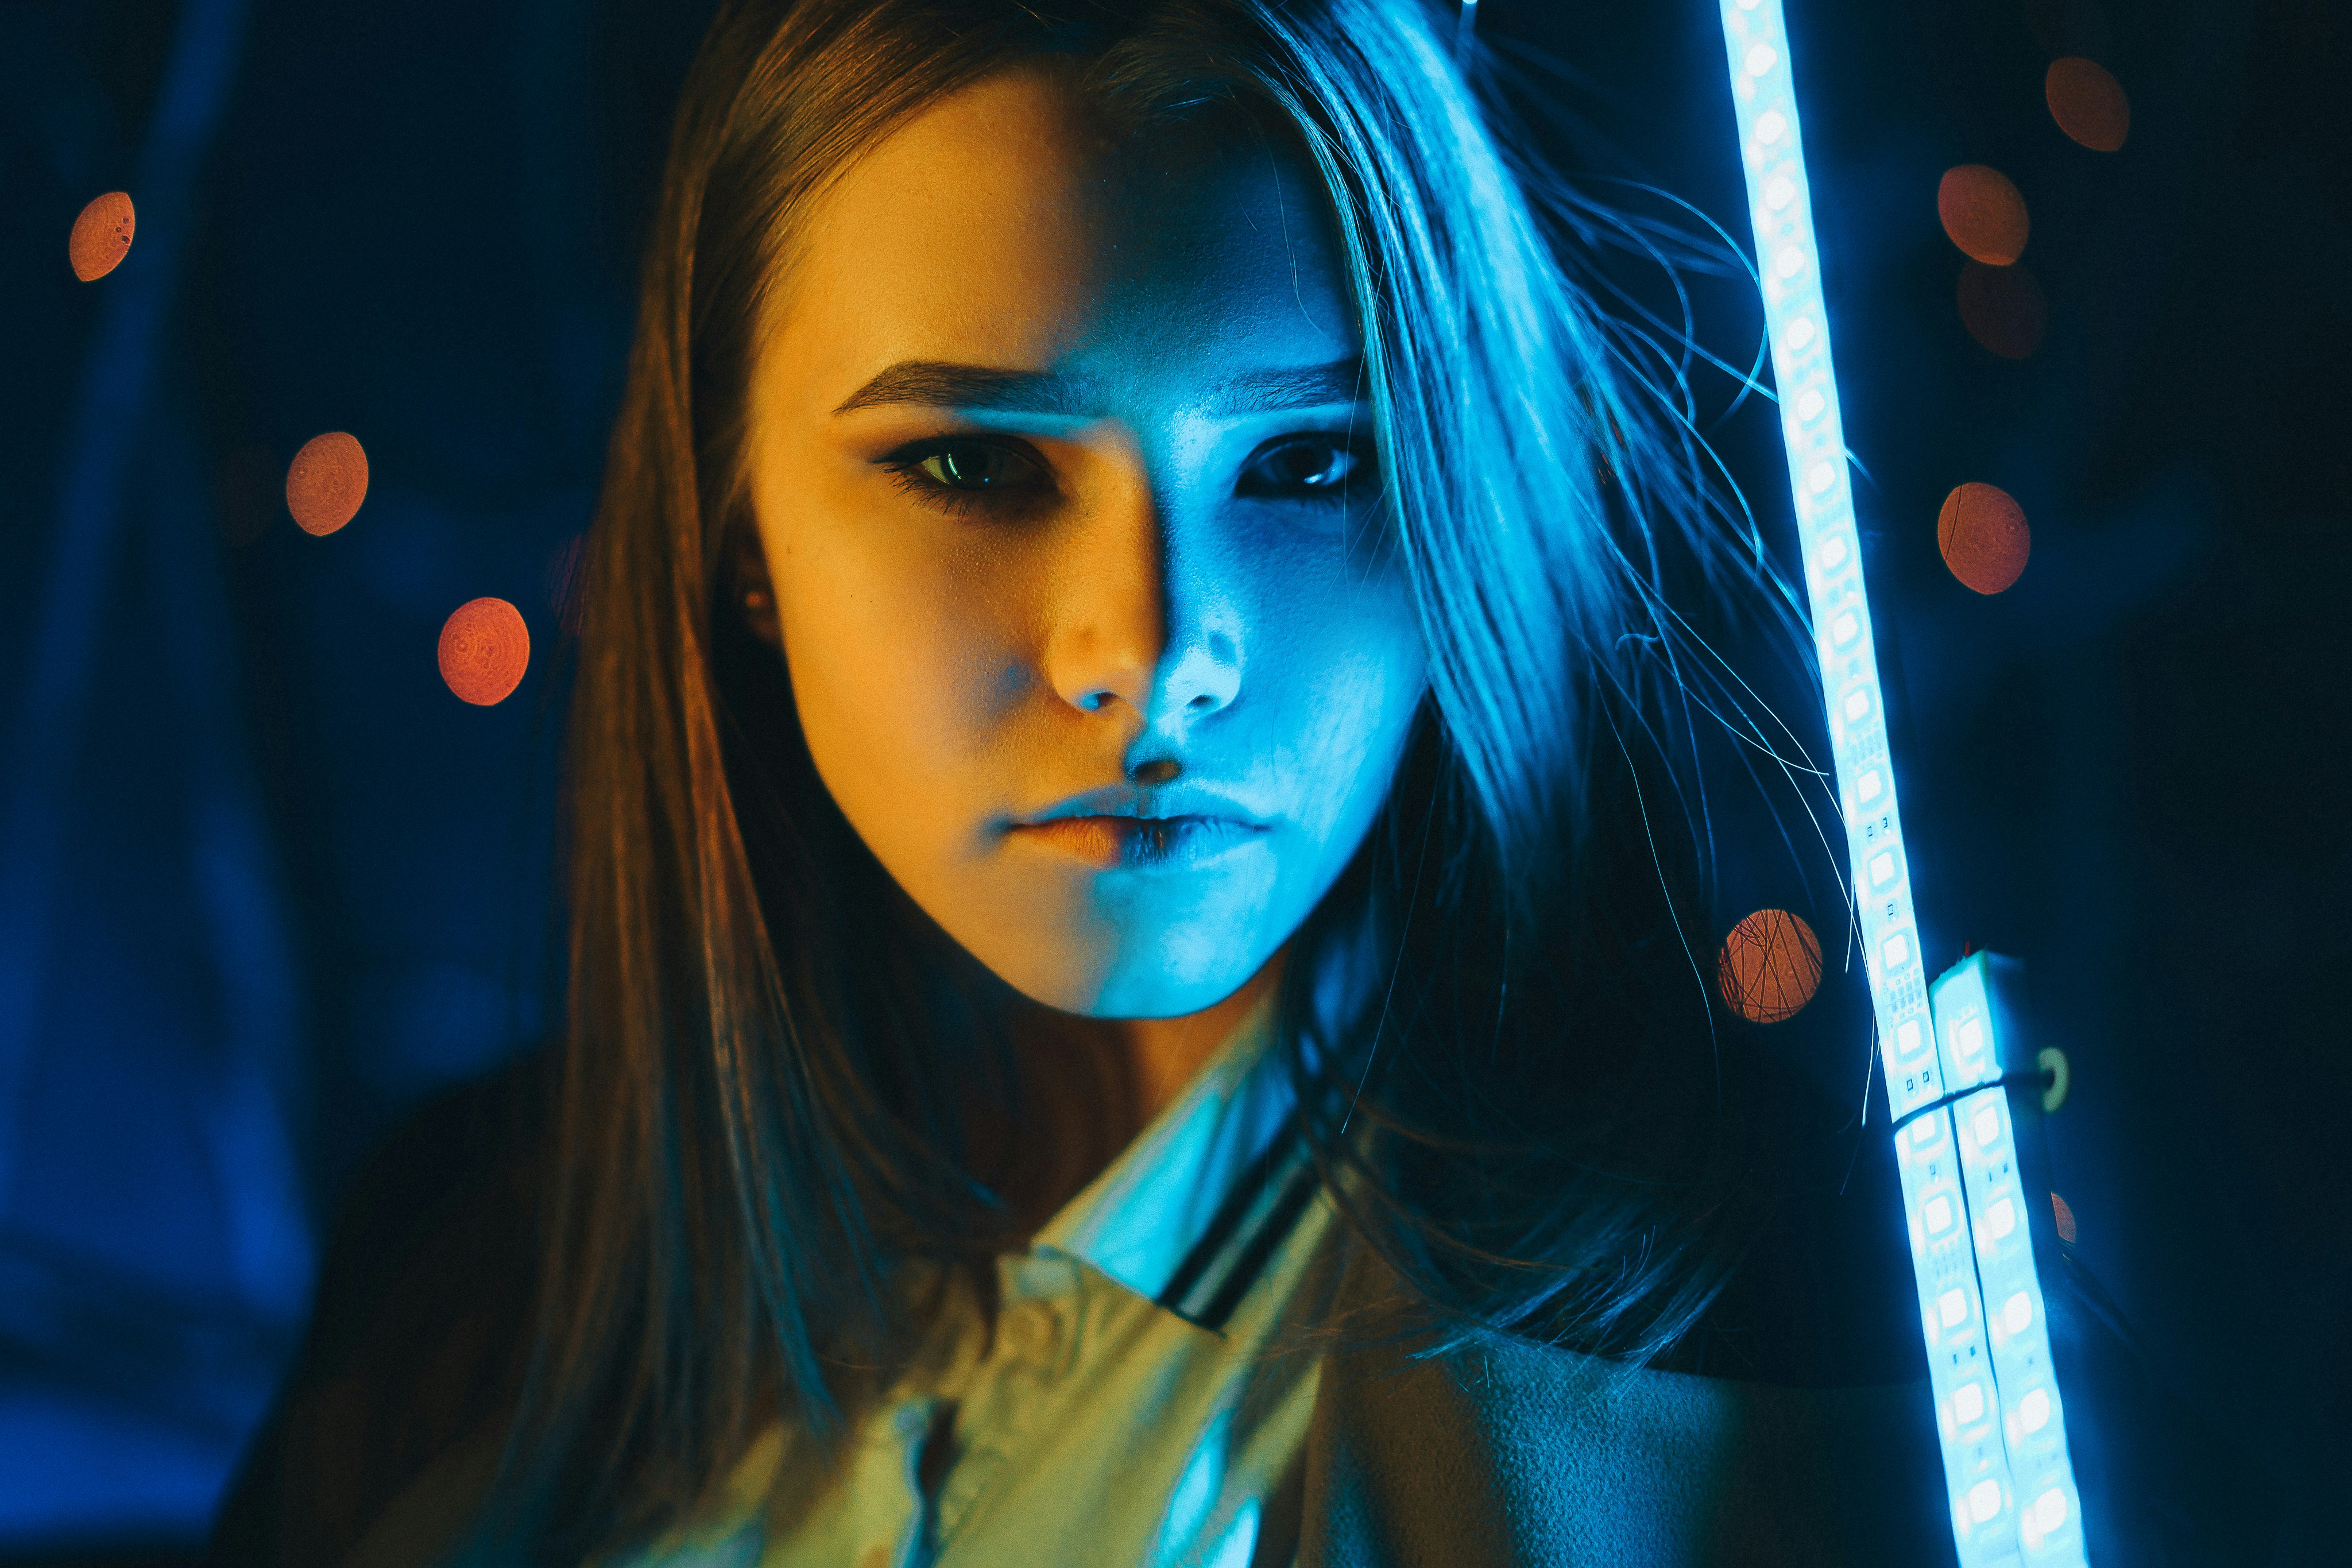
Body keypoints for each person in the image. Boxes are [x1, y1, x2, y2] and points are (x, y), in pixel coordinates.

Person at [208, 1, 1959, 1562]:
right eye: (971, 462)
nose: (1150, 644)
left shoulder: (1772, 1349)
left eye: (1308, 459)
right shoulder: (467, 1272)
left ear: (1459, 487)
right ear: (738, 526)